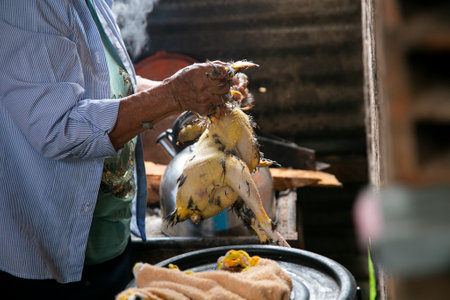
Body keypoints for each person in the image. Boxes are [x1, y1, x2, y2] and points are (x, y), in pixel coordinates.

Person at [0, 0, 243, 299]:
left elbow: (113, 88)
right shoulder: (28, 5)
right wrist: (175, 95)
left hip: (110, 242)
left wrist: (197, 95)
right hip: (50, 260)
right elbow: (59, 129)